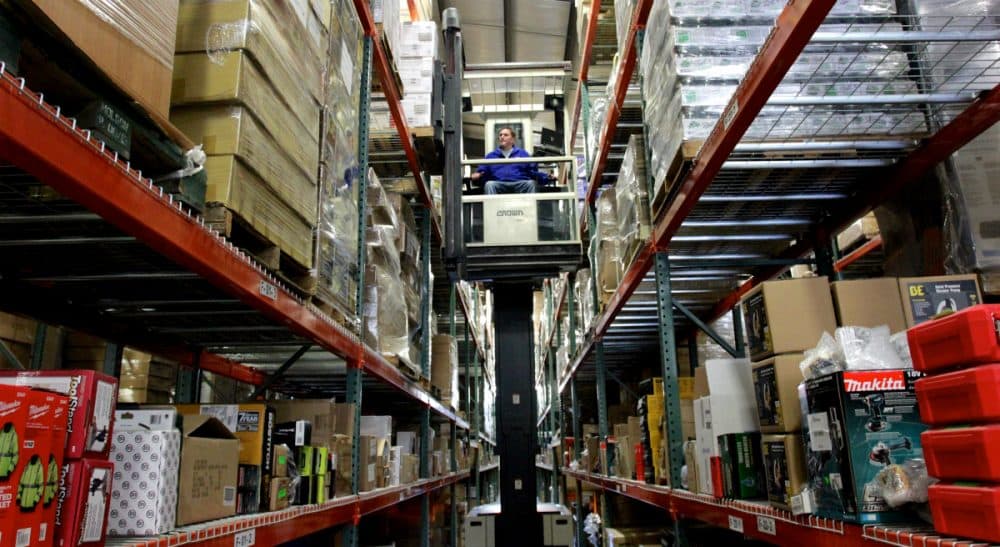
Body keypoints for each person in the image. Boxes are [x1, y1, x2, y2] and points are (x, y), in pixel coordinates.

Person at [470, 126, 554, 194]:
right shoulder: (491, 156)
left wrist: (546, 177)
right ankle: (491, 213)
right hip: (499, 184)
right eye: (500, 135)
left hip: (519, 183)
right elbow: (482, 170)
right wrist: (477, 174)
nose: (502, 137)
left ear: (513, 139)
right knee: (489, 185)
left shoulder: (523, 154)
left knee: (531, 184)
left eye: (506, 135)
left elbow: (532, 171)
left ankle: (531, 213)